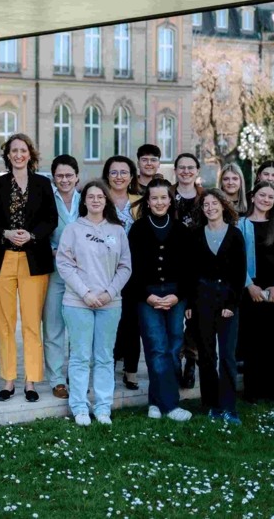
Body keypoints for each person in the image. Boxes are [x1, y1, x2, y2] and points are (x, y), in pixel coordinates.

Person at [0, 133, 58, 402]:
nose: (18, 154)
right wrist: (6, 233)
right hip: (2, 259)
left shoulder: (43, 184)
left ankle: (31, 382)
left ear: (30, 153)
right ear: (8, 154)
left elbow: (51, 218)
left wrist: (32, 235)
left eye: (22, 150)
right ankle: (9, 380)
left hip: (34, 260)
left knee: (31, 323)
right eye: (13, 150)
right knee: (4, 323)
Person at [56, 180, 132, 426]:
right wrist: (85, 293)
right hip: (78, 302)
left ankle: (102, 408)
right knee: (80, 356)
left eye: (100, 196)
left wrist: (110, 292)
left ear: (106, 200)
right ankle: (79, 407)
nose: (96, 200)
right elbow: (65, 264)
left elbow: (125, 266)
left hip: (110, 304)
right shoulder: (73, 229)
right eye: (91, 196)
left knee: (104, 357)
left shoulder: (117, 230)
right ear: (84, 200)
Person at [124, 176, 192, 422]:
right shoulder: (138, 229)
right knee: (156, 348)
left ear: (171, 200)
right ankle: (171, 406)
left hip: (176, 295)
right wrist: (147, 296)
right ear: (148, 201)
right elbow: (130, 267)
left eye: (164, 197)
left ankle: (156, 400)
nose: (160, 202)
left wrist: (178, 296)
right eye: (155, 198)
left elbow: (189, 269)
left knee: (173, 349)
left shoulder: (182, 230)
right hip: (147, 295)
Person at [187, 189, 246, 424]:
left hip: (227, 299)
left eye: (214, 203)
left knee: (228, 356)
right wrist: (190, 303)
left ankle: (230, 406)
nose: (210, 207)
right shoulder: (195, 235)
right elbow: (190, 273)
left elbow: (240, 273)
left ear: (223, 206)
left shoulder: (235, 235)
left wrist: (232, 303)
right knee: (208, 355)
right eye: (205, 204)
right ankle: (213, 405)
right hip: (202, 298)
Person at [237, 181, 274, 403]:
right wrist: (249, 285)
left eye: (270, 197)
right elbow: (236, 259)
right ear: (252, 197)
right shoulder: (241, 224)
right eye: (262, 195)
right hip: (250, 290)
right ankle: (254, 392)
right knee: (253, 342)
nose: (266, 200)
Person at [43, 155, 81, 401]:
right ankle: (56, 379)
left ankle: (76, 377)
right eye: (60, 176)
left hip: (82, 273)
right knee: (54, 326)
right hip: (55, 270)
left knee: (79, 328)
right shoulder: (46, 200)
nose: (65, 180)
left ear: (77, 177)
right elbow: (39, 231)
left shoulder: (87, 200)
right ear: (54, 178)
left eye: (69, 175)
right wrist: (51, 251)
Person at [104, 155, 142, 391]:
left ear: (131, 176)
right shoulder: (99, 197)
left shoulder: (140, 202)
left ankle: (131, 370)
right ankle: (107, 366)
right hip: (105, 269)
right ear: (107, 175)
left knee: (132, 321)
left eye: (124, 172)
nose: (119, 177)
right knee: (109, 321)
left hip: (134, 269)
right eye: (114, 172)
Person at [172, 153, 203, 389]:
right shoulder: (167, 194)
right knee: (173, 320)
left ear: (197, 170)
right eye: (181, 167)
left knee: (195, 320)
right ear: (175, 170)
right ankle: (173, 364)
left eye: (190, 167)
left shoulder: (206, 197)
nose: (185, 171)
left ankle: (190, 363)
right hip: (172, 264)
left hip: (199, 265)